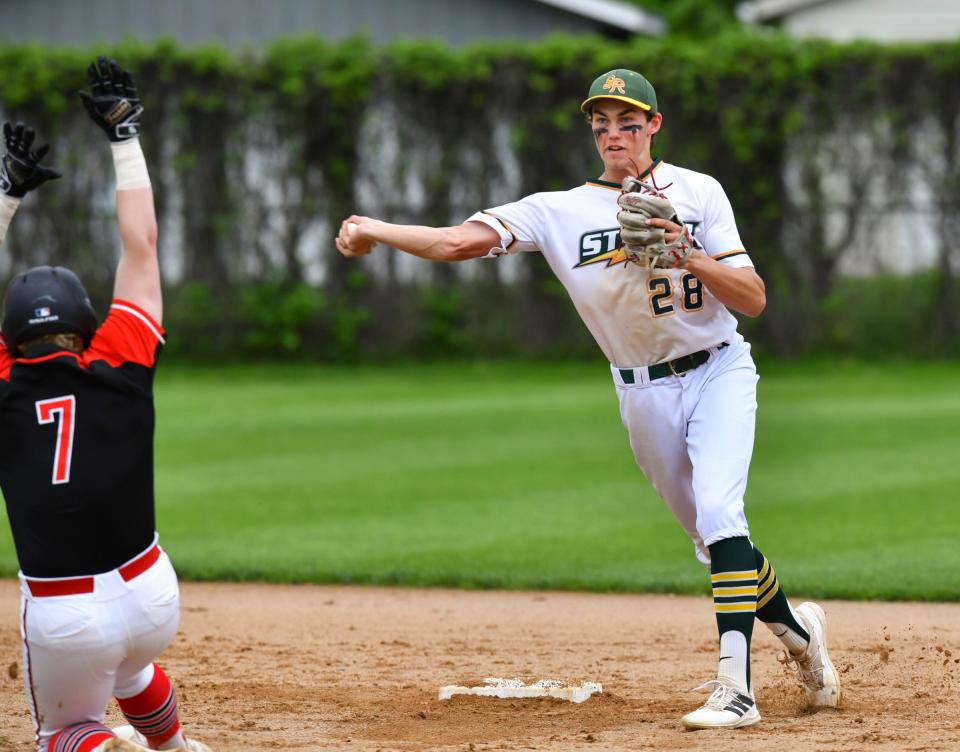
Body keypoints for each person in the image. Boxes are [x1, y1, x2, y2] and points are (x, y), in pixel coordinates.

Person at [335, 68, 841, 729]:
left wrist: (688, 254)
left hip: (719, 371)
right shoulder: (559, 210)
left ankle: (734, 690)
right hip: (640, 394)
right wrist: (375, 228)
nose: (613, 134)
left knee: (722, 511)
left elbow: (753, 298)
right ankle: (801, 638)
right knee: (714, 541)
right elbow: (459, 241)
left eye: (627, 122)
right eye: (601, 123)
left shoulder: (697, 193)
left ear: (653, 125)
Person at [0, 57, 211, 752]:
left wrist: (5, 198)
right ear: (86, 324)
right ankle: (173, 747)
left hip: (65, 613)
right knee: (131, 664)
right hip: (151, 594)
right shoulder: (119, 359)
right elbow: (141, 246)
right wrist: (124, 137)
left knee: (61, 731)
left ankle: (110, 746)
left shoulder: (4, 384)